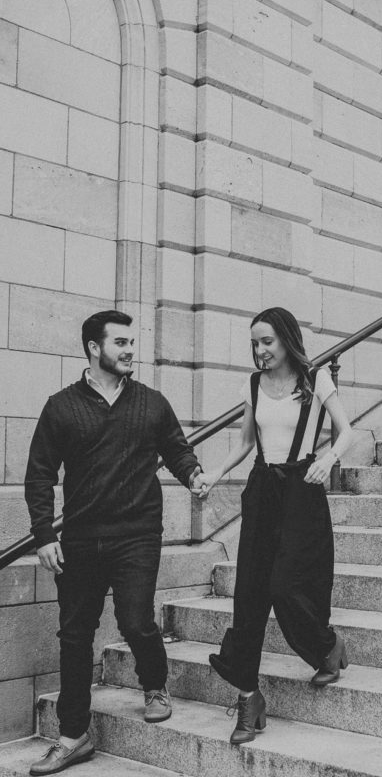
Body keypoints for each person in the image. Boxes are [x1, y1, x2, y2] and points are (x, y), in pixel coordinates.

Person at [24, 310, 207, 776]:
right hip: (81, 538)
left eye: (132, 342)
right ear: (93, 347)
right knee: (74, 635)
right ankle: (72, 736)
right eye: (121, 343)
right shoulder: (62, 406)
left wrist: (193, 474)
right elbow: (40, 474)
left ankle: (155, 684)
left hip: (137, 534)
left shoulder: (151, 402)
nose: (130, 350)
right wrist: (44, 534)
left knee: (136, 620)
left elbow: (176, 448)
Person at [197, 306, 356, 745]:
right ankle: (249, 699)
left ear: (286, 339)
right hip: (263, 489)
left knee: (286, 586)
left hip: (302, 489)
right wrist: (214, 474)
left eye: (266, 341)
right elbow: (248, 442)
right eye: (254, 343)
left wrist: (328, 458)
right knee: (249, 595)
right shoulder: (253, 384)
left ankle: (326, 647)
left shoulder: (315, 378)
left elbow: (347, 430)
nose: (260, 350)